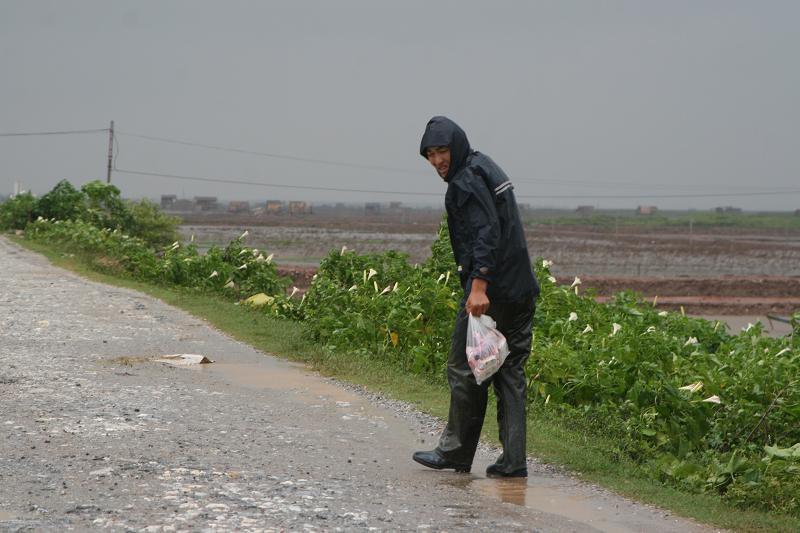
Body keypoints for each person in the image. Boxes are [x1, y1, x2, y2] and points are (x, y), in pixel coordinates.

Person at [412, 116, 539, 478]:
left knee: (465, 367)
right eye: (430, 154)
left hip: (492, 293)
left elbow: (487, 233)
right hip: (520, 289)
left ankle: (455, 452)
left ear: (456, 145)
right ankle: (513, 461)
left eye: (442, 151)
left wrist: (479, 285)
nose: (437, 161)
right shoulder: (484, 165)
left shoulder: (465, 180)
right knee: (509, 372)